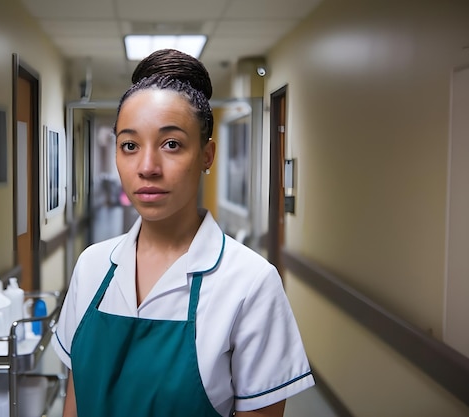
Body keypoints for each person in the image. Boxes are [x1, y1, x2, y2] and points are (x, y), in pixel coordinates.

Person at [53, 49, 315, 417]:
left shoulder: (251, 284)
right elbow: (75, 401)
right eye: (130, 145)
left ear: (207, 155)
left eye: (171, 144)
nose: (147, 167)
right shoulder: (92, 266)